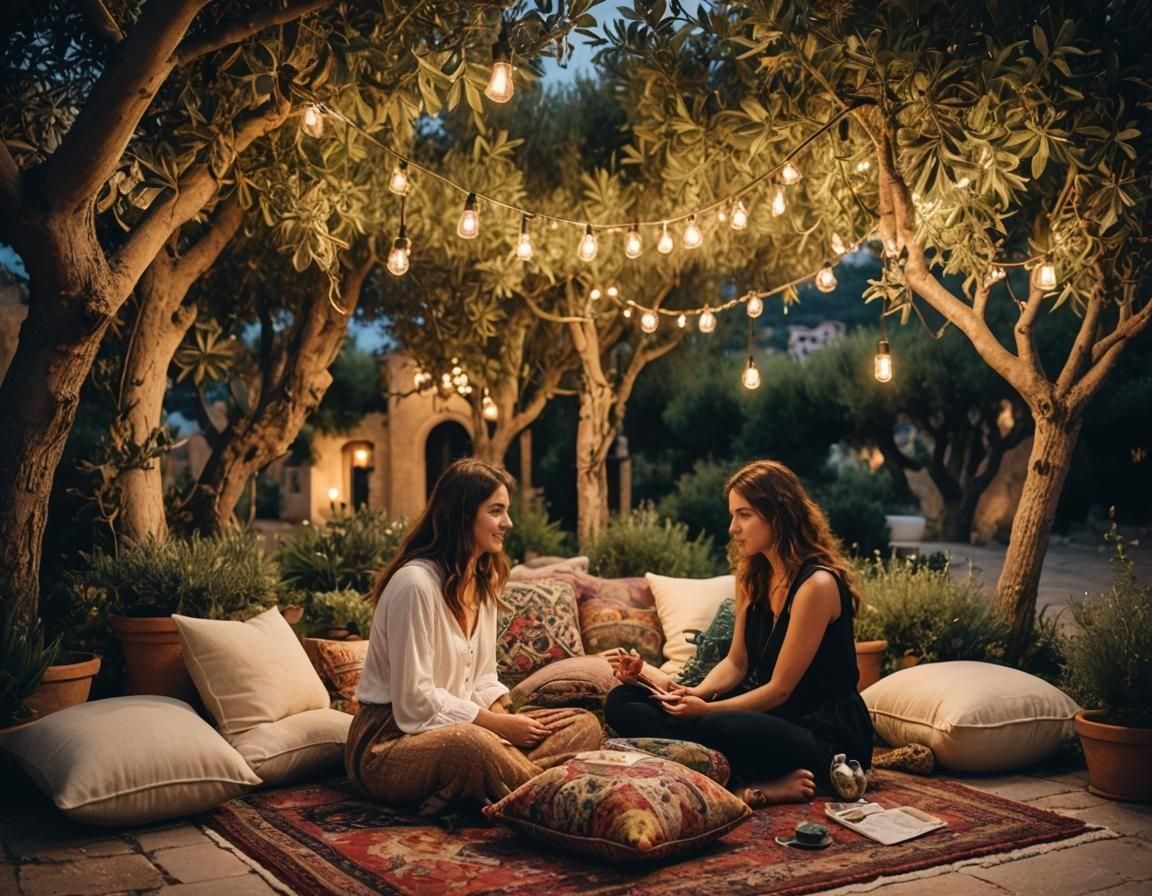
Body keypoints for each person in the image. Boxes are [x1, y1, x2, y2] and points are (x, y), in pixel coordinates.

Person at [604, 459, 874, 808]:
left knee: (722, 727)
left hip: (821, 731)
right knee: (621, 702)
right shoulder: (751, 577)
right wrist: (693, 695)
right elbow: (736, 663)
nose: (733, 527)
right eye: (733, 515)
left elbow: (780, 690)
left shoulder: (816, 585)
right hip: (765, 717)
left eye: (744, 515)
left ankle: (749, 789)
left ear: (777, 515)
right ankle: (720, 766)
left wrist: (704, 712)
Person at [346, 458, 602, 815]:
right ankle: (553, 802)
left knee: (582, 725)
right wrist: (497, 728)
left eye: (506, 511)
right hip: (390, 742)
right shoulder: (414, 585)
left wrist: (511, 722)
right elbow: (414, 702)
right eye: (496, 511)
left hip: (463, 727)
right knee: (471, 745)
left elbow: (483, 678)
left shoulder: (482, 584)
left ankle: (476, 789)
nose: (507, 523)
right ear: (463, 515)